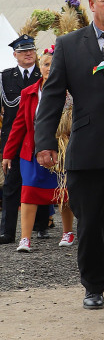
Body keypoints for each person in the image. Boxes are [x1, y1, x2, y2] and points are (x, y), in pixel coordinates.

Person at [36, 0, 104, 310]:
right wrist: (45, 143)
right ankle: (94, 285)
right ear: (92, 4)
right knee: (91, 224)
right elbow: (51, 97)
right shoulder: (69, 44)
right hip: (87, 147)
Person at [2, 45, 75, 252]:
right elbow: (18, 126)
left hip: (62, 150)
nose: (50, 68)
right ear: (39, 66)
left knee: (64, 192)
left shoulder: (71, 92)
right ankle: (25, 238)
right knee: (29, 192)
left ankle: (68, 232)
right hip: (32, 152)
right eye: (45, 64)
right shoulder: (29, 92)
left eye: (54, 64)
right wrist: (8, 154)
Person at [0, 35, 44, 244]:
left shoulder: (43, 73)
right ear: (15, 55)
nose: (29, 54)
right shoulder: (5, 77)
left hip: (38, 137)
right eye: (24, 51)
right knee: (11, 184)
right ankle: (7, 231)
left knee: (41, 179)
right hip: (13, 139)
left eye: (31, 50)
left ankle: (41, 226)